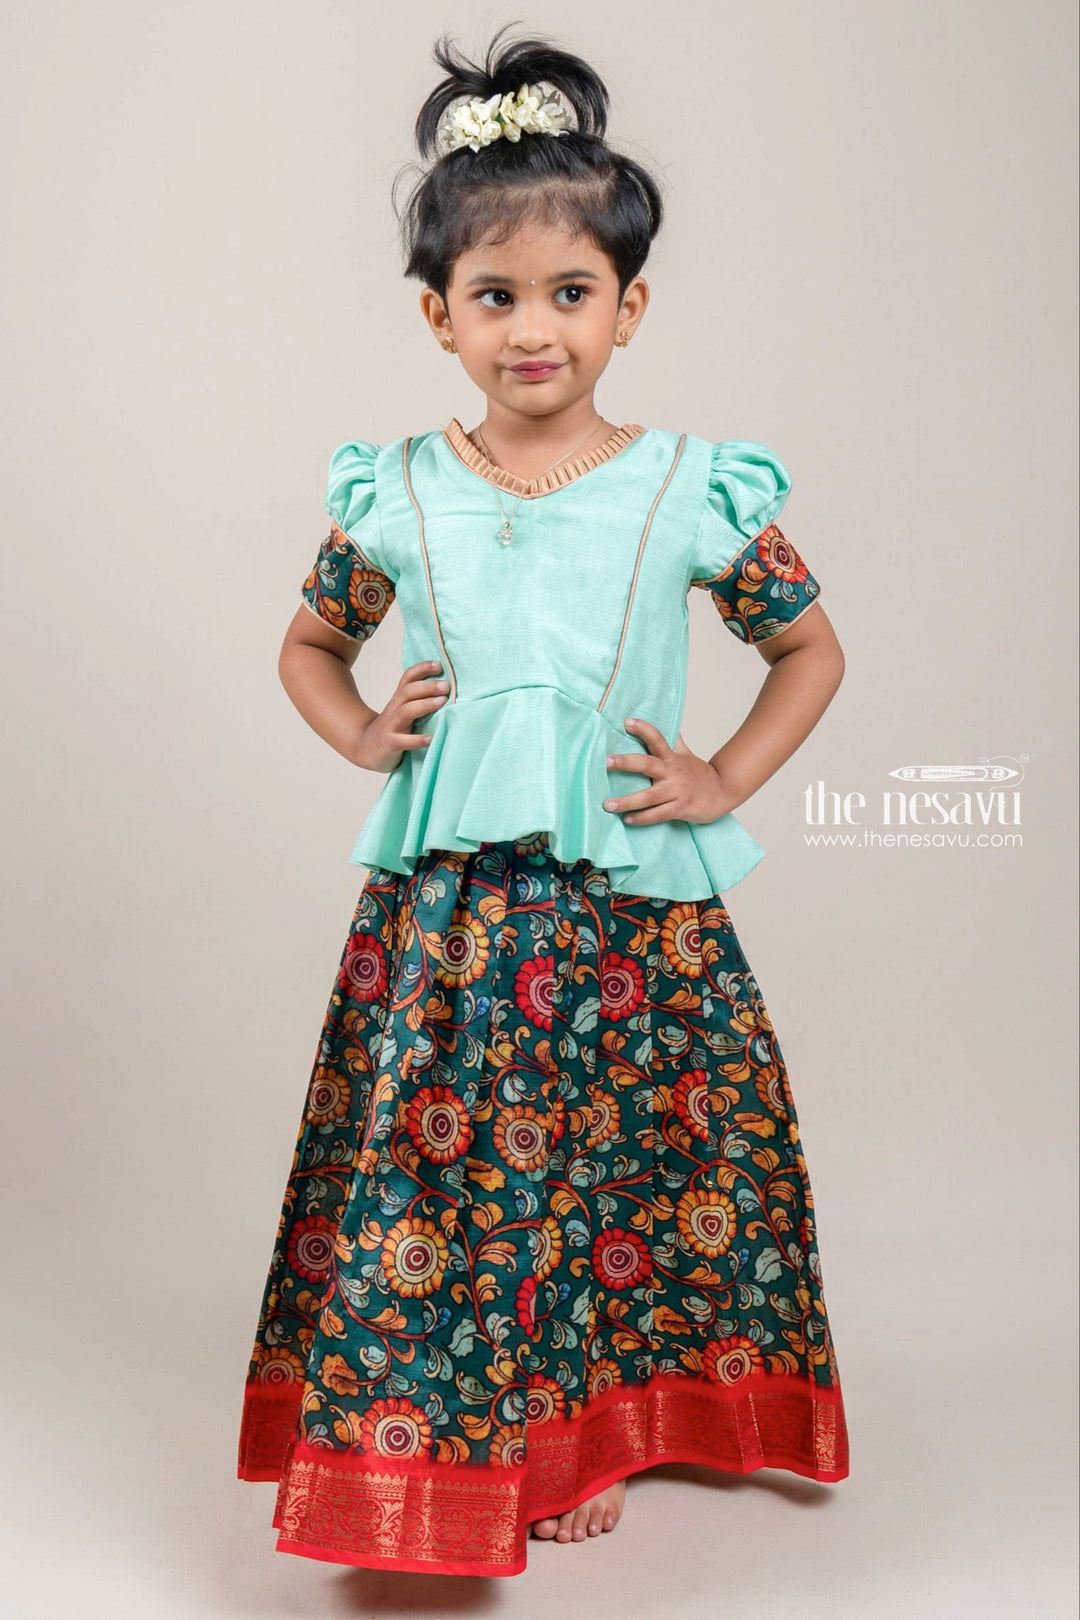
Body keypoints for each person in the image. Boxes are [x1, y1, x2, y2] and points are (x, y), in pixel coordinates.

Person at [236, 23, 851, 1579]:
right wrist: (363, 734)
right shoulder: (397, 489)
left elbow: (809, 650)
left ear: (628, 307)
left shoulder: (689, 486)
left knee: (619, 1163)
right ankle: (463, 1441)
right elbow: (310, 644)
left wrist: (721, 776)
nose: (534, 328)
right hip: (455, 922)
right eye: (495, 295)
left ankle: (590, 1432)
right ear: (438, 314)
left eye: (571, 293)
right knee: (462, 1177)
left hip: (633, 903)